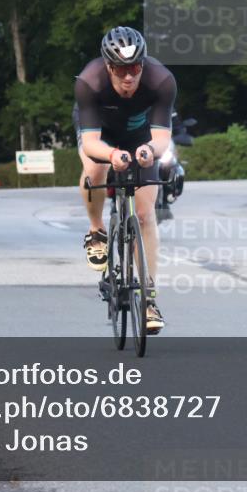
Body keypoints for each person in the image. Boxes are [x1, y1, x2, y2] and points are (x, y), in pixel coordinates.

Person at [73, 26, 176, 334]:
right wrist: (112, 154)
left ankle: (148, 300)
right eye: (120, 69)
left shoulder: (162, 81)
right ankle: (96, 230)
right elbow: (90, 144)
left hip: (141, 137)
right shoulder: (89, 82)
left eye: (134, 68)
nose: (129, 76)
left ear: (142, 64)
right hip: (102, 135)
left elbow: (161, 139)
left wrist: (148, 150)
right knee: (94, 170)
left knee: (144, 215)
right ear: (108, 66)